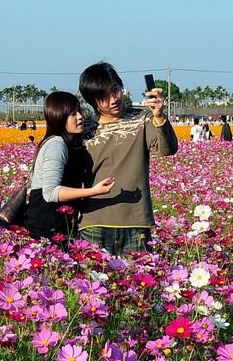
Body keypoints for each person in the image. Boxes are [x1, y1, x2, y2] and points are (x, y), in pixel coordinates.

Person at [74, 61, 177, 255]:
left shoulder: (143, 118)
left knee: (140, 283)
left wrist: (160, 116)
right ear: (91, 101)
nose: (113, 99)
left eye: (116, 90)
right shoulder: (84, 129)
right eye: (103, 97)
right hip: (93, 223)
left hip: (135, 220)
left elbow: (167, 150)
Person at [23, 91, 114, 241]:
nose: (80, 116)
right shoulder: (56, 144)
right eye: (73, 114)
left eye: (79, 111)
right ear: (59, 116)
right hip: (45, 229)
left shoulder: (71, 143)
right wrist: (93, 191)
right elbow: (51, 193)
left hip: (59, 225)